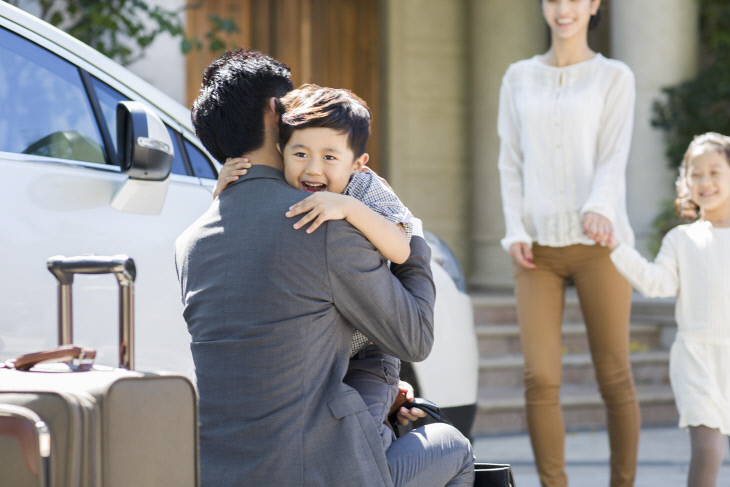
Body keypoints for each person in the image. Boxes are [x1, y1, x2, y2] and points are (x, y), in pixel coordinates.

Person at [174, 48, 474, 486]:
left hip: (221, 473)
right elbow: (415, 337)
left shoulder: (191, 240)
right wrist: (412, 236)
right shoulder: (322, 221)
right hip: (318, 471)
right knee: (453, 447)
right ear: (277, 115)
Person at [216, 83, 418, 451]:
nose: (312, 169)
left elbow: (402, 248)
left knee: (363, 443)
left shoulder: (365, 190)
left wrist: (349, 209)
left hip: (367, 352)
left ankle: (394, 435)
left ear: (358, 163)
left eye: (329, 158)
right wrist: (222, 188)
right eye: (301, 154)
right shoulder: (280, 184)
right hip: (319, 351)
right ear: (280, 152)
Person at [496, 0, 640, 485]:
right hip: (536, 252)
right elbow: (509, 160)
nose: (564, 9)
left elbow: (613, 155)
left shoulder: (614, 77)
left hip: (601, 245)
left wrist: (599, 206)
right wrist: (514, 228)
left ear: (594, 5)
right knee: (540, 378)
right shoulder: (517, 77)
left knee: (614, 376)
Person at [609, 132, 730, 487]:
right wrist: (617, 247)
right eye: (695, 174)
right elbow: (655, 283)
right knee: (708, 448)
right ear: (685, 182)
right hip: (694, 357)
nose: (704, 181)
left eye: (714, 172)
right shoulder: (681, 239)